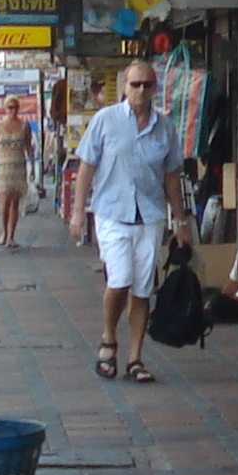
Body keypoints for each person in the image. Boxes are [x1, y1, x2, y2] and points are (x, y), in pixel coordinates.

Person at [73, 64, 187, 385]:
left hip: (149, 216)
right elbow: (86, 167)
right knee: (119, 280)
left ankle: (135, 358)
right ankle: (109, 337)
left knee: (142, 289)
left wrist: (180, 220)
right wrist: (78, 212)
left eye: (147, 85)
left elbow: (171, 176)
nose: (140, 91)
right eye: (135, 84)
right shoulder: (105, 120)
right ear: (124, 86)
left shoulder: (164, 127)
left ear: (155, 88)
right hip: (111, 213)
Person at [0, 96, 35, 249]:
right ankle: (3, 232)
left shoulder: (24, 126)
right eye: (9, 107)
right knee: (4, 201)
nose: (12, 111)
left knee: (15, 202)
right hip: (3, 166)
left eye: (15, 107)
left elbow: (28, 146)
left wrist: (33, 165)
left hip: (18, 166)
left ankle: (11, 235)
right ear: (4, 108)